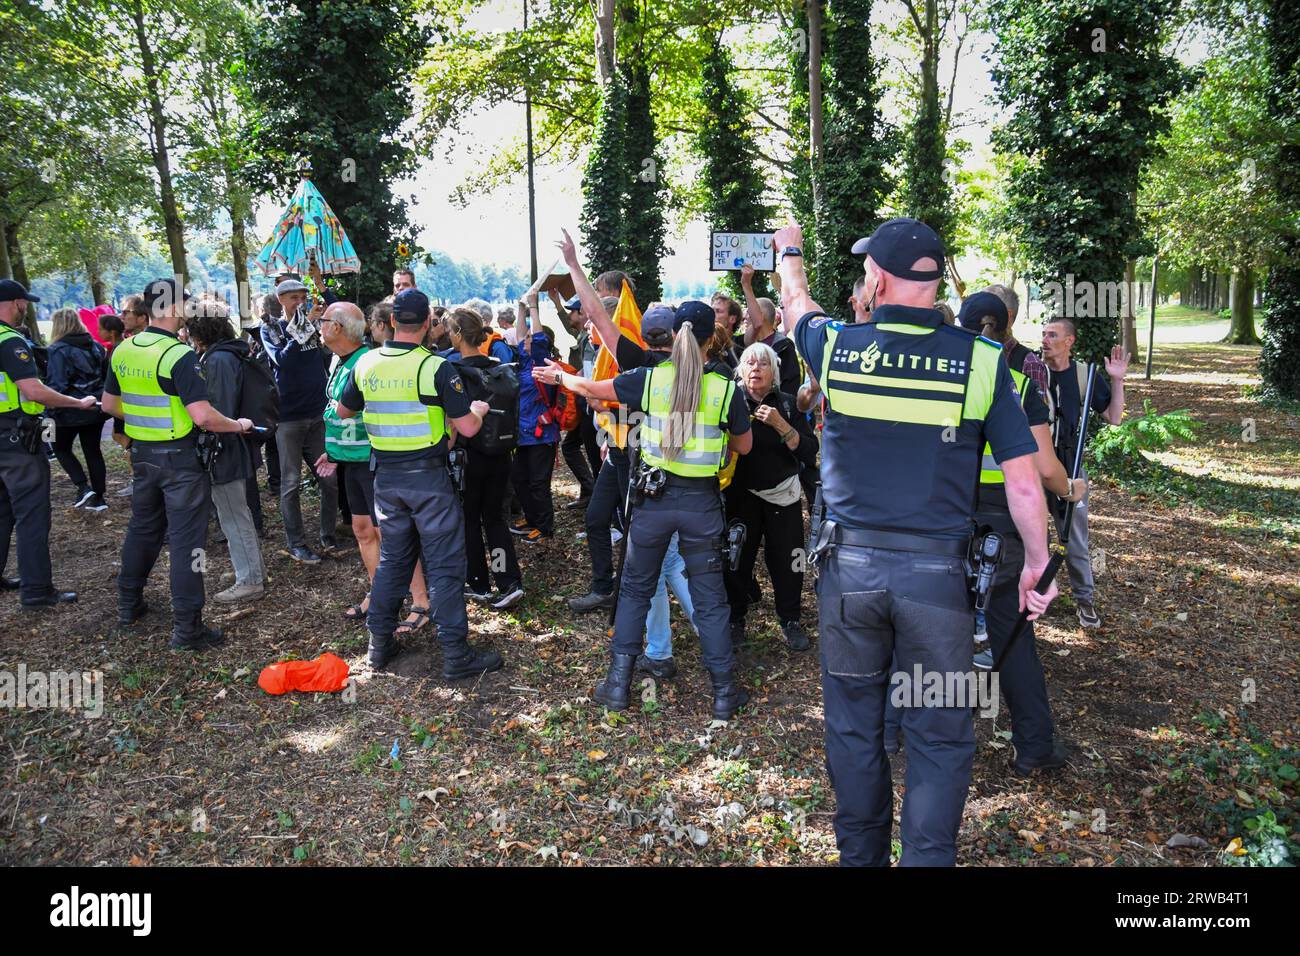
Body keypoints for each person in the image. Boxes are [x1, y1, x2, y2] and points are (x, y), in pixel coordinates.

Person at [775, 215, 1057, 867]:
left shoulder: (840, 347)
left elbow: (795, 302)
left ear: (876, 277)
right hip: (937, 586)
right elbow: (1022, 484)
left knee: (852, 725)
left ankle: (862, 858)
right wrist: (1037, 566)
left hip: (850, 579)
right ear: (935, 282)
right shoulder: (983, 362)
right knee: (938, 735)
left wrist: (791, 247)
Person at [535, 299, 753, 718]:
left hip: (653, 503)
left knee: (635, 589)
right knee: (709, 600)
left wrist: (561, 375)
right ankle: (724, 693)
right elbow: (743, 445)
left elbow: (591, 390)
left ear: (673, 335)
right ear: (713, 339)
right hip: (702, 505)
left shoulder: (649, 381)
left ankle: (618, 686)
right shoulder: (726, 388)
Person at [333, 289, 503, 678]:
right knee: (443, 563)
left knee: (394, 558)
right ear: (428, 323)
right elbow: (467, 428)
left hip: (386, 480)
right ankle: (456, 656)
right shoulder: (435, 368)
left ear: (392, 321)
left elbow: (344, 411)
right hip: (428, 478)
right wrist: (475, 410)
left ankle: (379, 646)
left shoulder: (366, 364)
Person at [958, 292, 1084, 773]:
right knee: (1011, 629)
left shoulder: (936, 376)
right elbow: (1044, 467)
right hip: (1004, 521)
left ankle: (911, 731)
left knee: (934, 627)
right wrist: (1070, 488)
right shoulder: (1013, 382)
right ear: (1006, 325)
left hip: (943, 519)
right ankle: (1033, 746)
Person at [103, 278, 254, 649]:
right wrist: (239, 426)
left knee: (142, 529)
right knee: (190, 545)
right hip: (181, 461)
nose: (189, 309)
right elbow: (203, 417)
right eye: (185, 303)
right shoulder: (178, 355)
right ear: (171, 308)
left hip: (143, 456)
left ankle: (128, 604)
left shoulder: (123, 349)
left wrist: (143, 420)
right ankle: (188, 628)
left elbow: (109, 405)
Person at [316, 302, 435, 632]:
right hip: (350, 461)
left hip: (374, 460)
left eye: (323, 320)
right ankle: (381, 595)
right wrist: (333, 451)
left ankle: (421, 601)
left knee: (391, 533)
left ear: (338, 327)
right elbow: (339, 414)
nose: (318, 325)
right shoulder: (338, 362)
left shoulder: (368, 362)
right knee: (362, 530)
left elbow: (361, 412)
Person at [0, 279, 99, 607]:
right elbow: (34, 390)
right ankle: (37, 591)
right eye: (23, 303)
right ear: (14, 303)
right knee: (32, 514)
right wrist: (76, 402)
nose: (24, 308)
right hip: (16, 441)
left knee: (2, 511)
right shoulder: (10, 341)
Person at [725, 341, 816, 652]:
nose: (755, 369)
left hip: (782, 495)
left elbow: (809, 451)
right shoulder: (730, 401)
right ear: (741, 370)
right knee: (736, 557)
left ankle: (790, 619)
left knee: (789, 560)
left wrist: (780, 424)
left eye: (763, 364)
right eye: (749, 363)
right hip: (740, 495)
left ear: (774, 371)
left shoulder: (788, 404)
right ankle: (735, 618)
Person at [1040, 317, 1128, 629]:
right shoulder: (1031, 371)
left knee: (1074, 538)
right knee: (1028, 535)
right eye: (1044, 334)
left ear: (1069, 342)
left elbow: (1114, 417)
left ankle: (1084, 600)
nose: (1046, 340)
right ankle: (1032, 596)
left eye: (1053, 335)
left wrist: (1116, 380)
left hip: (1070, 468)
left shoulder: (1085, 376)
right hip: (1035, 465)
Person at [186, 299, 266, 604]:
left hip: (224, 446)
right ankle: (249, 568)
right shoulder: (229, 352)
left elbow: (218, 408)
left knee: (233, 515)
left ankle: (250, 580)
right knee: (235, 512)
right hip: (233, 443)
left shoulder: (218, 360)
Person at [445, 307, 524, 610]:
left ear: (458, 335)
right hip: (501, 454)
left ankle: (478, 582)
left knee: (469, 521)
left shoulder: (454, 372)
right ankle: (507, 580)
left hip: (468, 457)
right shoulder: (498, 368)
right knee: (495, 518)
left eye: (450, 330)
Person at [261, 278, 338, 563]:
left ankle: (328, 536)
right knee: (290, 482)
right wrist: (301, 331)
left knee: (329, 480)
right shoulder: (271, 328)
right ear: (281, 299)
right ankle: (297, 543)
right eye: (293, 297)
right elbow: (282, 361)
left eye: (302, 297)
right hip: (288, 419)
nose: (299, 302)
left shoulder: (314, 325)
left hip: (317, 414)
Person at [45, 308, 109, 511]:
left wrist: (51, 404)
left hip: (68, 409)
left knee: (60, 448)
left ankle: (82, 486)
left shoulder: (57, 350)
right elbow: (105, 377)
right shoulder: (96, 347)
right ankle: (99, 497)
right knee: (93, 450)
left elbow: (57, 383)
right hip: (95, 408)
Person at [510, 292, 558, 543]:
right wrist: (520, 308)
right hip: (523, 434)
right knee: (520, 479)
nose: (525, 339)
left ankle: (545, 527)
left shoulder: (542, 364)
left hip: (542, 435)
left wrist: (533, 306)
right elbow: (521, 336)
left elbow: (536, 337)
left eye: (530, 338)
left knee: (539, 484)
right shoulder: (526, 361)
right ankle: (531, 519)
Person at [551, 291, 599, 509]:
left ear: (583, 313)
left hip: (590, 401)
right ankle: (592, 492)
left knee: (578, 448)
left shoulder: (590, 339)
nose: (570, 314)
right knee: (576, 447)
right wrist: (557, 304)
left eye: (573, 310)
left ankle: (594, 493)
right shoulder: (583, 335)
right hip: (585, 399)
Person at [738, 265, 801, 396]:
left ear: (760, 315)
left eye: (750, 311)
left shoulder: (784, 347)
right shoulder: (742, 343)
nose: (745, 316)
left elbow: (790, 388)